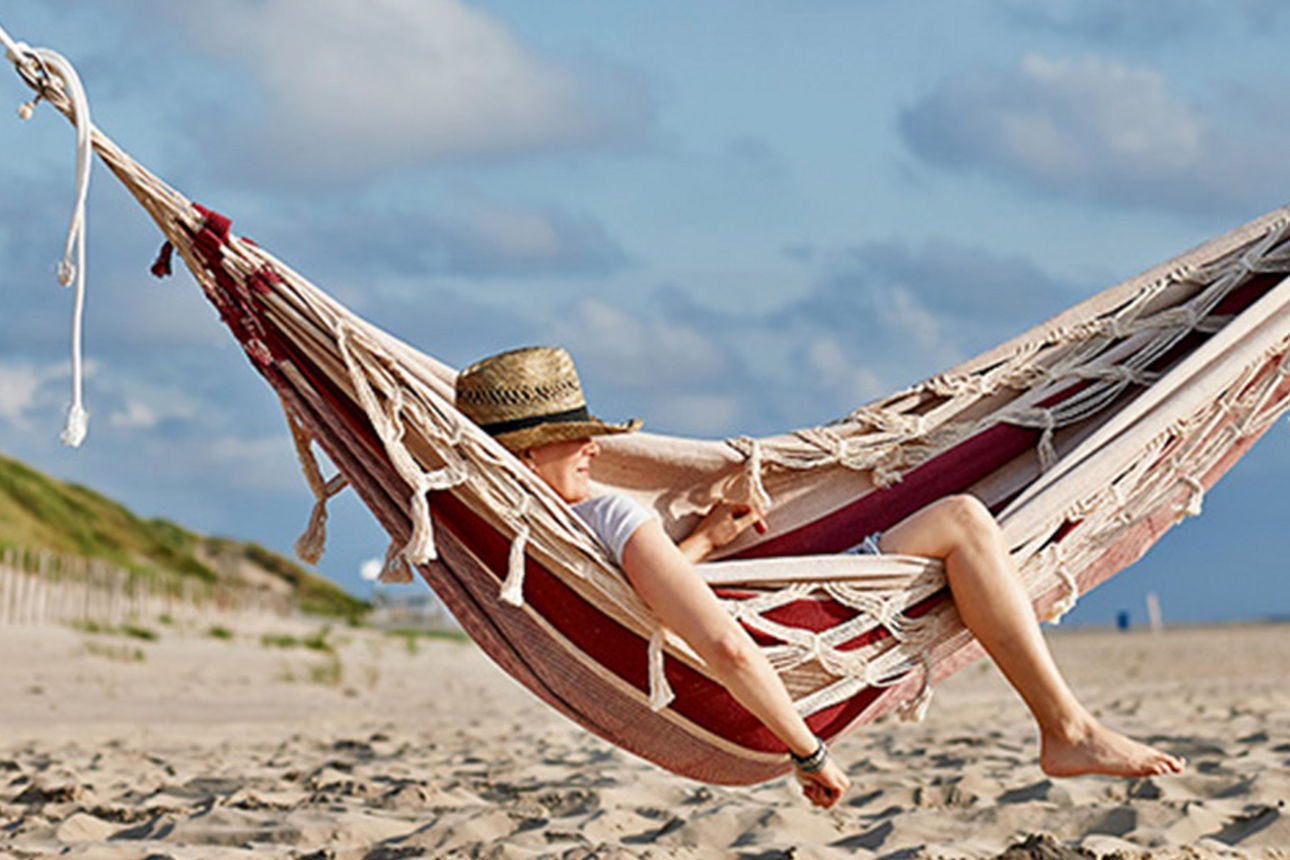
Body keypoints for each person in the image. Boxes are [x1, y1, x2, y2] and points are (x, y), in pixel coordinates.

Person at [455, 346, 1185, 809]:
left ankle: (1067, 728)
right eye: (569, 438)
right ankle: (1067, 727)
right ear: (523, 459)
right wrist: (808, 751)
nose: (590, 447)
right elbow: (725, 646)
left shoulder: (539, 533)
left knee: (961, 526)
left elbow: (644, 602)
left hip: (764, 635)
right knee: (963, 518)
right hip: (796, 635)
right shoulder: (611, 515)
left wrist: (705, 540)